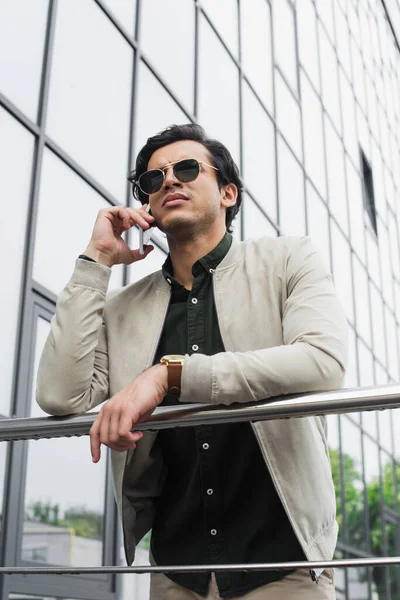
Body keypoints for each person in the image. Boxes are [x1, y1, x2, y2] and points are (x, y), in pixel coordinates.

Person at [37, 123, 347, 599]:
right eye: (152, 179)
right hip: (178, 573)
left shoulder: (290, 259)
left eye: (185, 168)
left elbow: (321, 361)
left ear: (227, 192)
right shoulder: (122, 308)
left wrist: (170, 375)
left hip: (284, 566)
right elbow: (60, 395)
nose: (169, 182)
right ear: (147, 205)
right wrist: (96, 259)